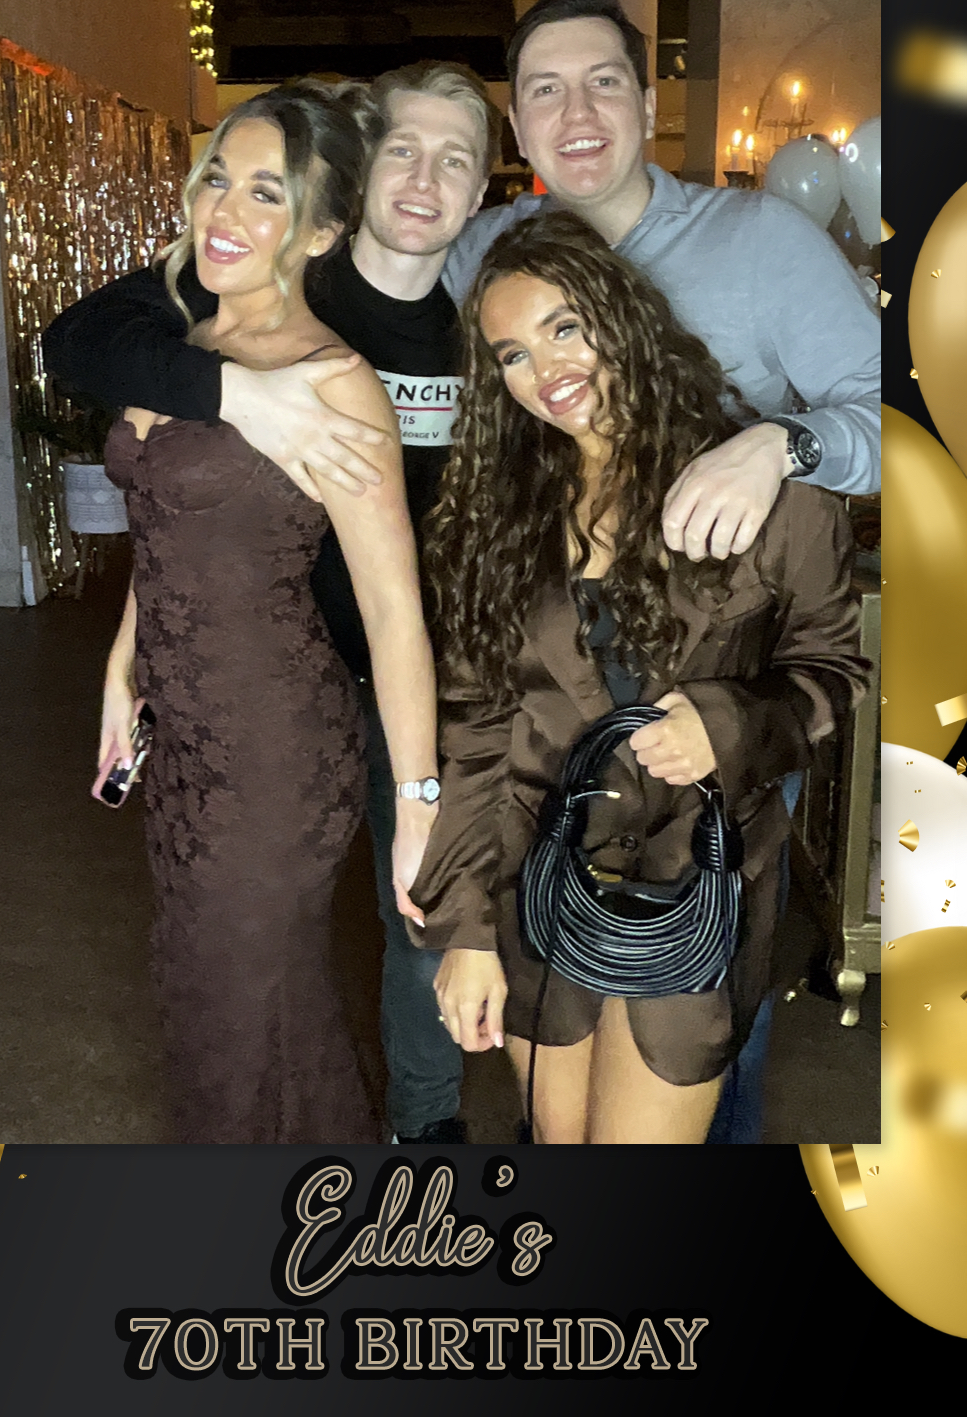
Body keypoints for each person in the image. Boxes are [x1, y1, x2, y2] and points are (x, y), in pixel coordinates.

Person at [47, 64, 503, 1146]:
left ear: (322, 231)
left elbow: (394, 614)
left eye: (268, 193)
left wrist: (420, 809)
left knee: (245, 1003)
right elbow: (172, 531)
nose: (227, 211)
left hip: (275, 749)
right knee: (217, 997)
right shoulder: (181, 341)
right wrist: (124, 663)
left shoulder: (334, 380)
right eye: (219, 177)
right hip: (186, 740)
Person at [403, 209, 871, 1144]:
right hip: (540, 877)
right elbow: (477, 733)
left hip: (695, 880)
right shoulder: (500, 516)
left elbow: (835, 669)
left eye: (564, 328)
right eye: (512, 355)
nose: (545, 369)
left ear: (623, 316)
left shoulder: (767, 493)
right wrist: (464, 932)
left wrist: (728, 725)